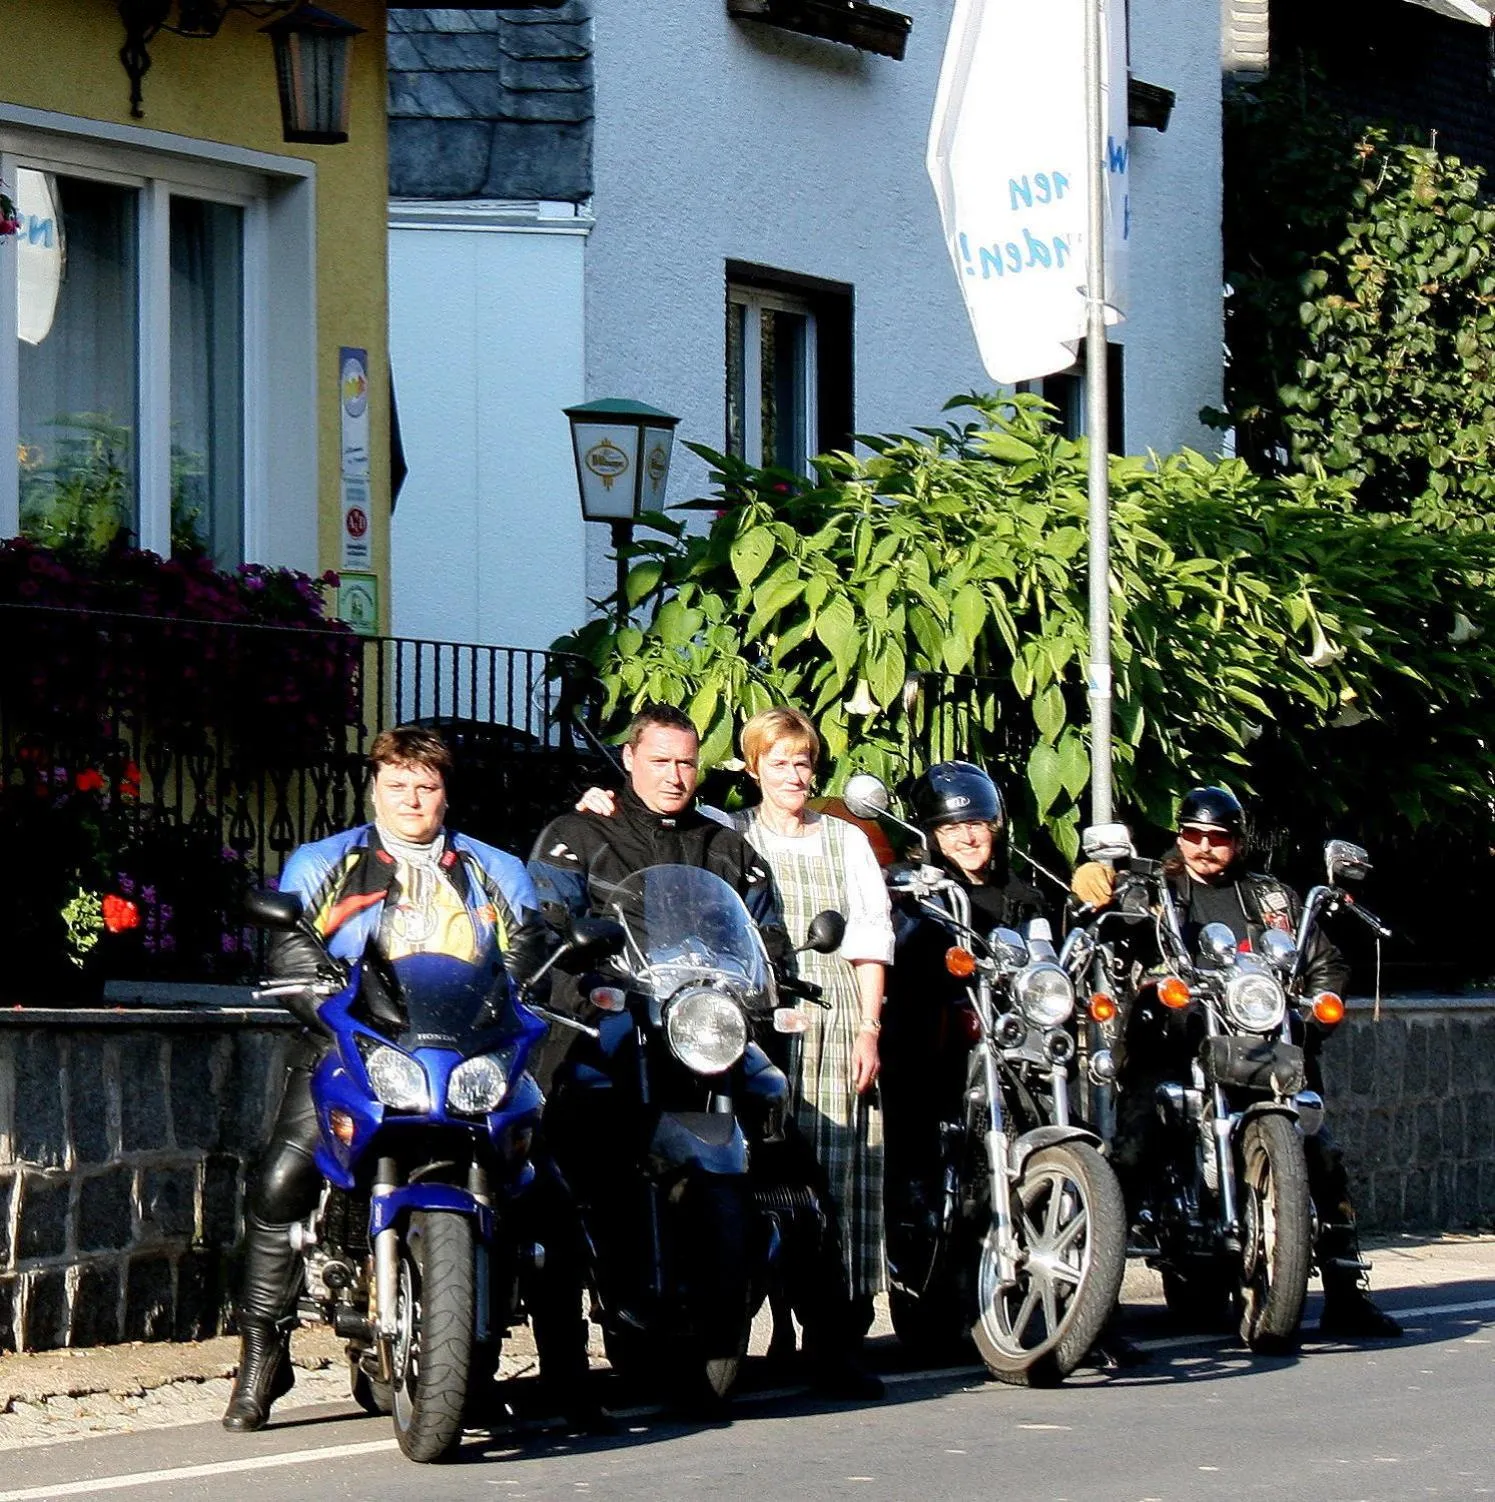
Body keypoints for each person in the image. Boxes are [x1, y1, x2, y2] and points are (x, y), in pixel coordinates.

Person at [537, 701, 886, 1398]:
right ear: (630, 759)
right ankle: (565, 1363)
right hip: (618, 1030)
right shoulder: (578, 834)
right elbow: (547, 923)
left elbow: (765, 934)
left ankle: (831, 1338)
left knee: (789, 1155)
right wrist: (586, 983)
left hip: (703, 1031)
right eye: (660, 760)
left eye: (686, 762)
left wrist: (776, 978)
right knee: (560, 1166)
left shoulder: (723, 844)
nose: (673, 775)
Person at [222, 725, 556, 1432]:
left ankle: (540, 1359)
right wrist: (328, 1012)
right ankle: (262, 1353)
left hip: (466, 1057)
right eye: (397, 783)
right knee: (282, 1175)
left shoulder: (495, 869)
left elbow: (527, 961)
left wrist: (528, 999)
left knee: (540, 1184)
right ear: (374, 786)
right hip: (354, 1046)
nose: (412, 798)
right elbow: (292, 957)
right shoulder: (324, 862)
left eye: (426, 786)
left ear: (445, 792)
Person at [1071, 784, 1403, 1339]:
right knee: (1128, 1152)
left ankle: (1347, 1291)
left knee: (1320, 1149)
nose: (1204, 847)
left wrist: (1312, 1020)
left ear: (1239, 842)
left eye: (1218, 838)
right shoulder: (1152, 889)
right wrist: (1094, 882)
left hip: (1257, 1050)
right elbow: (1104, 920)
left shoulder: (1272, 899)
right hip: (1172, 1049)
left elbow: (1324, 962)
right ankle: (1095, 1310)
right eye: (1193, 835)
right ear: (1180, 836)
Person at [881, 762, 1044, 1245]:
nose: (968, 838)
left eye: (976, 824)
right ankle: (913, 1216)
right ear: (931, 834)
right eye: (952, 827)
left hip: (1012, 1035)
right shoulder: (909, 889)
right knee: (912, 1098)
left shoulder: (1023, 896)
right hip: (936, 1041)